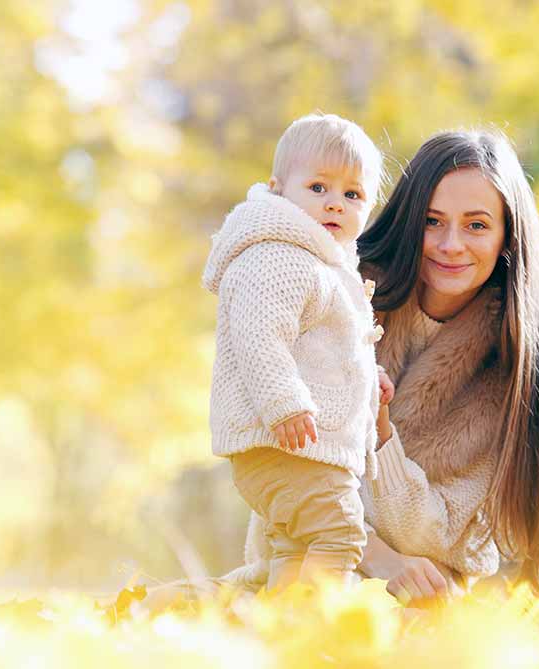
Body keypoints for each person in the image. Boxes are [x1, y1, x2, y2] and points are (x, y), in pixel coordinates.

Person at [237, 127, 539, 605]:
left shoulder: (510, 370)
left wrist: (381, 434)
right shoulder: (336, 296)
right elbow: (288, 471)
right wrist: (378, 555)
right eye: (432, 221)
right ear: (409, 221)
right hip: (300, 566)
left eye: (476, 225)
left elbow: (443, 533)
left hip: (422, 599)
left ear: (507, 236)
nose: (450, 245)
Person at [200, 112, 391, 591]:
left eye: (352, 194)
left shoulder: (323, 263)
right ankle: (314, 639)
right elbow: (258, 335)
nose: (335, 204)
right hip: (284, 440)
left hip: (300, 446)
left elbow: (324, 349)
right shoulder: (278, 255)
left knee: (297, 548)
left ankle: (285, 633)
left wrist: (372, 379)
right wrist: (283, 402)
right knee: (341, 534)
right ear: (280, 188)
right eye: (319, 187)